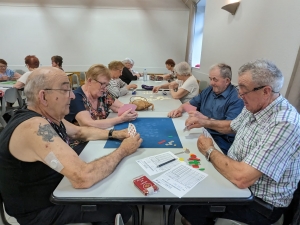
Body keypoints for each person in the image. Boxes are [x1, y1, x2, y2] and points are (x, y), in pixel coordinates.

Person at [0, 66, 142, 225]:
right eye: (66, 90)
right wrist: (123, 150)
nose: (73, 95)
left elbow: (79, 132)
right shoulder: (33, 127)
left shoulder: (46, 116)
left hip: (56, 190)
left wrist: (115, 134)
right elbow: (83, 178)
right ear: (44, 96)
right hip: (41, 211)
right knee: (115, 205)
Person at [179, 59, 300, 225]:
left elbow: (242, 178)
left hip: (258, 203)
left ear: (266, 91)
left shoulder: (284, 123)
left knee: (188, 206)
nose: (238, 94)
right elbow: (232, 126)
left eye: (243, 90)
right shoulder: (255, 105)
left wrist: (209, 150)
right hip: (237, 184)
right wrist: (205, 122)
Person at [168, 63, 244, 154]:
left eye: (215, 80)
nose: (211, 83)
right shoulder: (209, 90)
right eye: (210, 79)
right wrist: (180, 109)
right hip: (202, 132)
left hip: (220, 141)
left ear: (227, 81)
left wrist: (204, 119)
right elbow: (190, 104)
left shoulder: (236, 99)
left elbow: (230, 127)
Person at [65, 64, 138, 129]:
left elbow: (119, 106)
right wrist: (121, 119)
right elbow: (87, 124)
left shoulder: (102, 93)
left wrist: (130, 111)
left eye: (106, 85)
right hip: (84, 142)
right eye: (102, 84)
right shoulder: (76, 97)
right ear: (90, 81)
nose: (105, 88)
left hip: (100, 135)